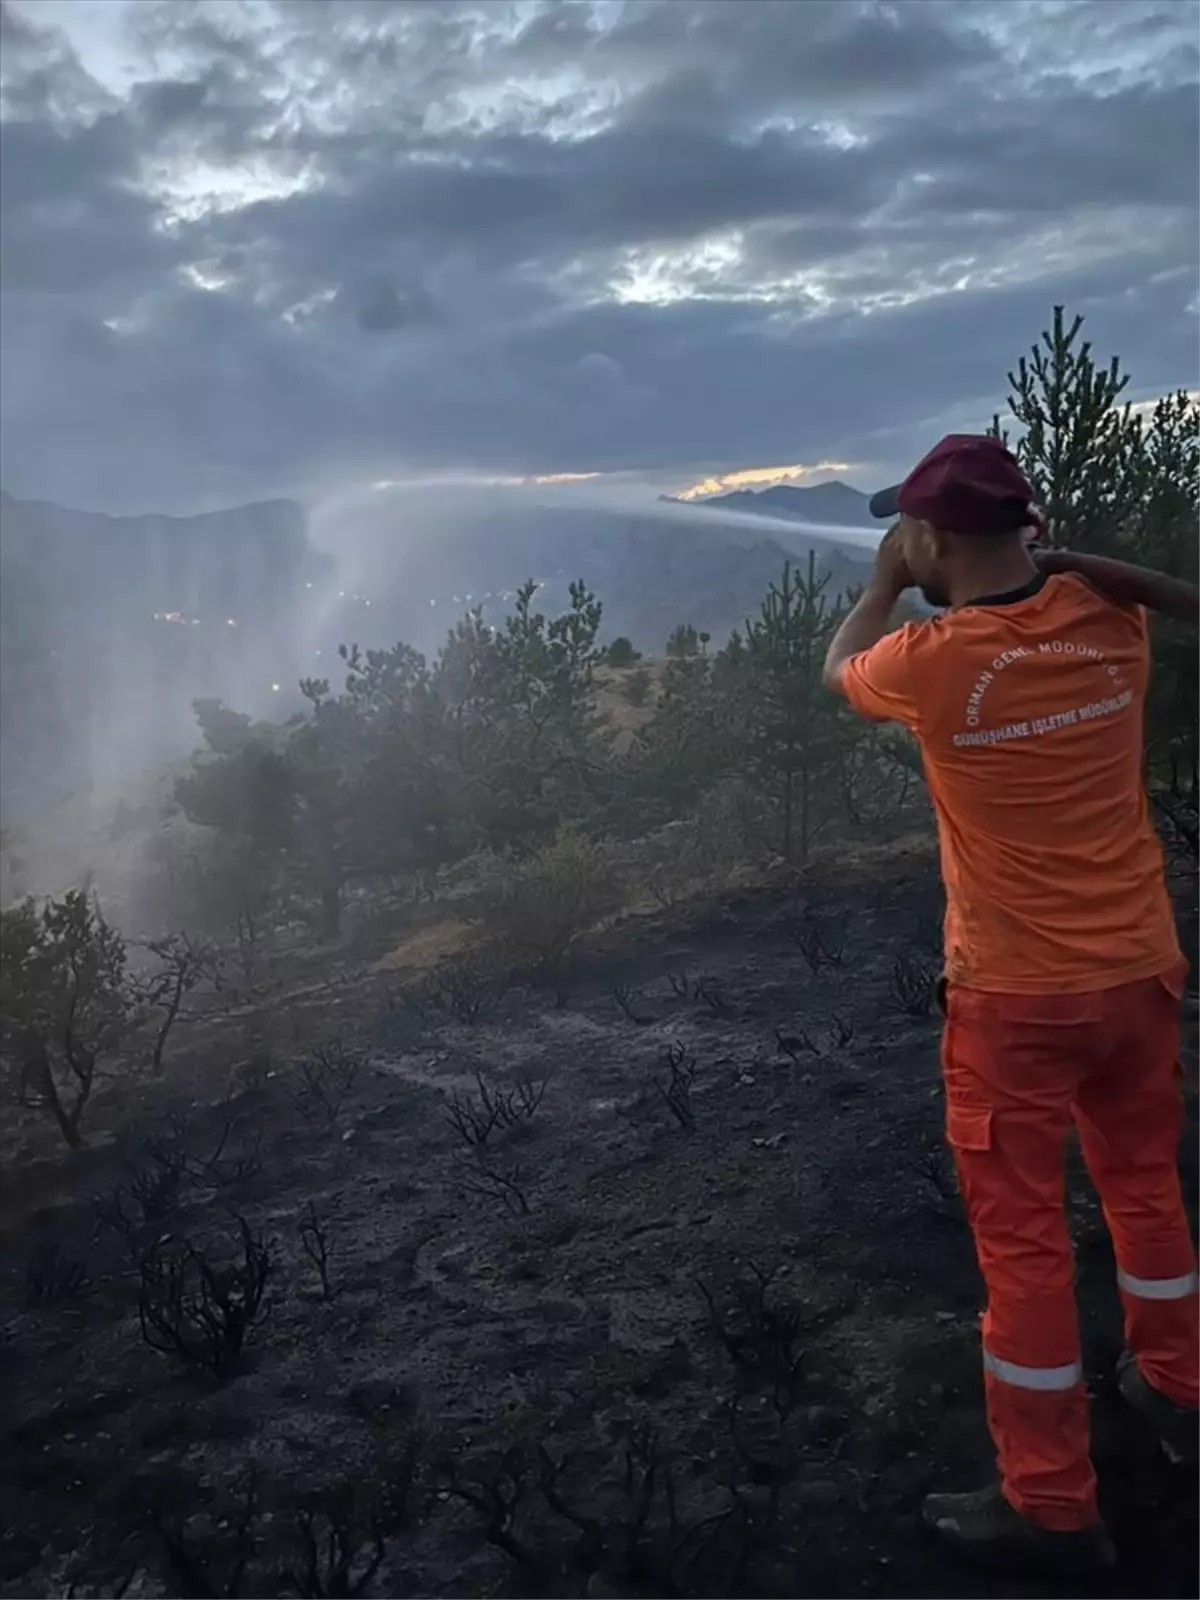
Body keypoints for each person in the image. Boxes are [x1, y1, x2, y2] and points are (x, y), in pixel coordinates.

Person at [822, 432, 1200, 1578]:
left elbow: (837, 669)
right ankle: (1178, 1389)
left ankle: (1049, 1500)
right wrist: (1068, 563)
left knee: (1026, 1247)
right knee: (1144, 1188)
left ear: (932, 535)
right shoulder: (1114, 627)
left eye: (912, 530)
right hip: (1138, 973)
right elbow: (1114, 596)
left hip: (1014, 1000)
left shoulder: (930, 661)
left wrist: (885, 582)